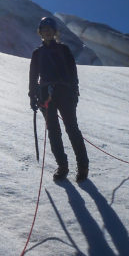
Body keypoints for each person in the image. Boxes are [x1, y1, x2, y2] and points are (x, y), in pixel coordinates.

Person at [28, 17, 89, 182]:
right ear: (40, 32)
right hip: (45, 95)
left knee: (72, 129)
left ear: (55, 32)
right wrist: (32, 95)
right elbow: (33, 76)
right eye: (44, 29)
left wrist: (74, 91)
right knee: (54, 132)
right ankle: (62, 166)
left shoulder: (63, 49)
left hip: (64, 92)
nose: (47, 32)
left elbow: (72, 71)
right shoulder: (37, 53)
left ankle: (82, 166)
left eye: (49, 29)